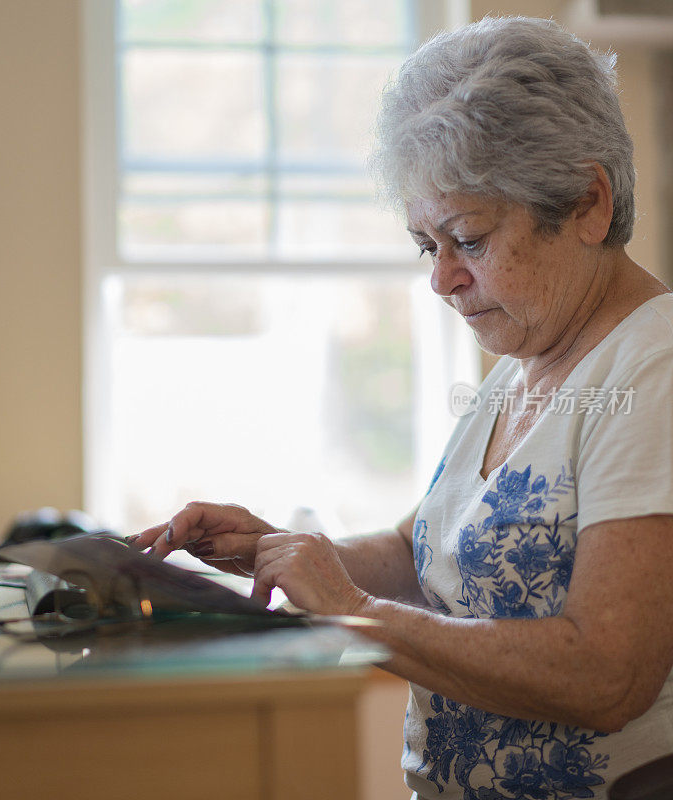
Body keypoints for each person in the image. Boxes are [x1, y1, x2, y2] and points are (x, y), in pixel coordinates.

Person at [129, 16, 673, 800]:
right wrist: (282, 554)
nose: (441, 279)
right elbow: (427, 554)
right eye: (429, 246)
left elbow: (606, 672)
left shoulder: (652, 369)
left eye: (470, 240)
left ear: (589, 203)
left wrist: (351, 610)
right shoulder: (524, 362)